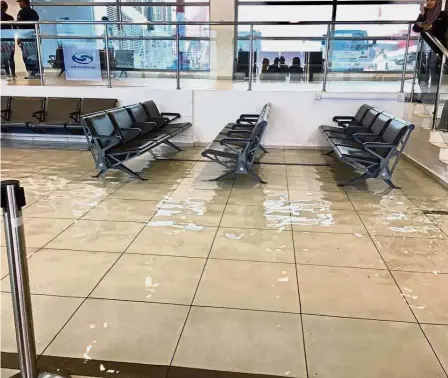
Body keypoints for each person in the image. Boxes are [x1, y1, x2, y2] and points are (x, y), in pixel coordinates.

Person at [413, 0, 447, 92]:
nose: (429, 2)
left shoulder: (442, 15)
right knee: (422, 73)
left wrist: (431, 27)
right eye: (427, 0)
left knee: (435, 72)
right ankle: (424, 94)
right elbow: (415, 29)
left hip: (436, 48)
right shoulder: (424, 13)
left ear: (437, 2)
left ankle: (433, 95)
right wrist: (422, 13)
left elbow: (443, 31)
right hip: (424, 48)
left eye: (432, 0)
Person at [16, 0, 39, 79]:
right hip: (34, 36)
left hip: (25, 37)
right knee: (35, 54)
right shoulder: (34, 12)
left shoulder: (22, 12)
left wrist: (19, 37)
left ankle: (32, 73)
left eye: (20, 2)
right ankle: (37, 72)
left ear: (23, 2)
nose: (19, 4)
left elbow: (19, 25)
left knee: (27, 55)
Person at [1, 1, 16, 81]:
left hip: (2, 40)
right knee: (11, 58)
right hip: (10, 39)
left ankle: (7, 74)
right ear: (6, 8)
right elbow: (15, 29)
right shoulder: (10, 17)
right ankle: (13, 74)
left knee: (4, 58)